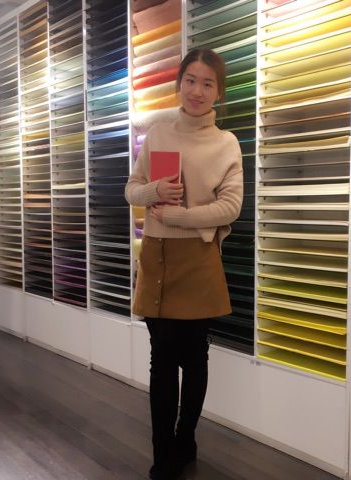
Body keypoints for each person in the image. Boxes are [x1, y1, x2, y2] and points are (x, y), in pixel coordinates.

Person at [125, 49, 243, 480]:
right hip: (157, 258)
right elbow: (132, 189)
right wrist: (154, 191)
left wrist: (181, 217)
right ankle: (164, 455)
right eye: (190, 80)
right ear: (179, 84)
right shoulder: (157, 134)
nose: (197, 90)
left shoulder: (226, 143)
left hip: (198, 258)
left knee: (194, 358)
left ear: (219, 92)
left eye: (208, 83)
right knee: (161, 360)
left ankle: (185, 436)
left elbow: (231, 206)